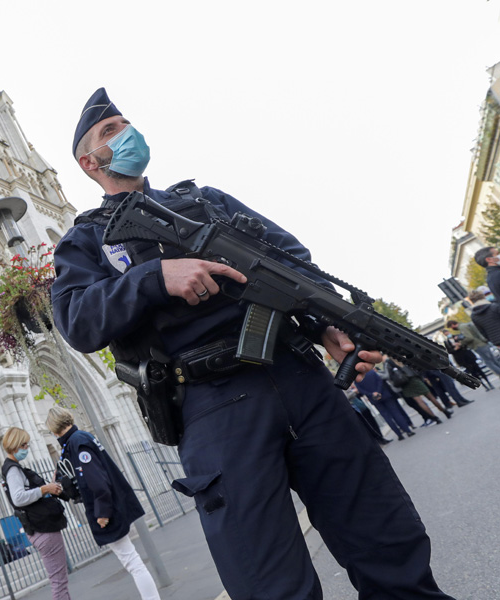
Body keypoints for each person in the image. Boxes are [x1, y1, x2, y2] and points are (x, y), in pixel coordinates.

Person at [50, 87, 452, 599]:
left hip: (300, 378)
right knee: (270, 585)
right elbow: (77, 320)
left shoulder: (205, 200)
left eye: (127, 124)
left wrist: (321, 322)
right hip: (212, 404)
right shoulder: (87, 239)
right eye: (110, 132)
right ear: (90, 162)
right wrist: (154, 277)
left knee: (388, 541)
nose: (126, 134)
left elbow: (292, 260)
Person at [45, 407, 161, 600]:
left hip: (107, 509)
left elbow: (97, 482)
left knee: (132, 562)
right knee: (132, 561)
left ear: (54, 428)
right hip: (109, 505)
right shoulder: (80, 438)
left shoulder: (77, 442)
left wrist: (102, 513)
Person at [0, 427, 70, 600]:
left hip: (39, 529)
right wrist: (44, 488)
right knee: (59, 582)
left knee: (59, 581)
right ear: (15, 445)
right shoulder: (13, 470)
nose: (27, 448)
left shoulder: (14, 468)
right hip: (44, 530)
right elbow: (18, 498)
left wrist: (49, 488)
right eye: (24, 444)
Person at [354, 367, 417, 439]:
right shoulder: (371, 372)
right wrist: (378, 391)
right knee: (396, 413)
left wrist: (372, 394)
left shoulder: (357, 379)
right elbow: (379, 381)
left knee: (387, 417)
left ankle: (399, 435)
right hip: (384, 395)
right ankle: (408, 431)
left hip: (374, 399)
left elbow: (361, 390)